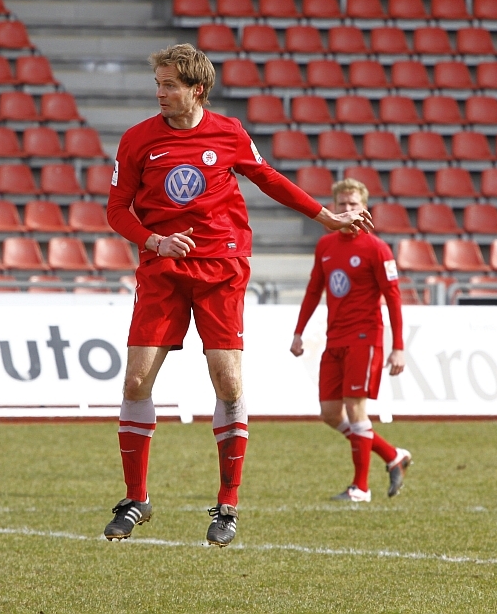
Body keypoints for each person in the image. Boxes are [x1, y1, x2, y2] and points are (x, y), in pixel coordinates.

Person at [103, 43, 374, 546]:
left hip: (221, 267)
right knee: (136, 380)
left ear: (197, 89)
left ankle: (227, 505)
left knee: (228, 383)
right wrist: (154, 240)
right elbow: (116, 209)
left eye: (169, 85)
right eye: (158, 84)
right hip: (162, 267)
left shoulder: (228, 132)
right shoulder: (137, 139)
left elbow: (268, 178)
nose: (160, 93)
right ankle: (136, 498)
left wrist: (325, 216)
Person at [289, 178, 411, 503]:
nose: (347, 209)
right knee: (330, 413)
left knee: (356, 409)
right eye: (341, 204)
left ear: (364, 208)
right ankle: (393, 455)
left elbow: (393, 298)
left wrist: (398, 347)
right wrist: (299, 332)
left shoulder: (377, 248)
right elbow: (314, 290)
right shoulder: (325, 246)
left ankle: (361, 488)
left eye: (353, 204)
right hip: (334, 339)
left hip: (364, 337)